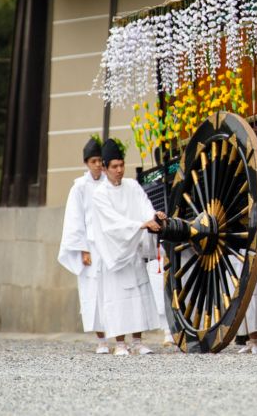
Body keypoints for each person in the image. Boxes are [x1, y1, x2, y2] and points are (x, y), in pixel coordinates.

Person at [90, 138, 164, 355]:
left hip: (133, 250)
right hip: (116, 253)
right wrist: (140, 225)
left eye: (121, 165)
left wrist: (153, 217)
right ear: (104, 168)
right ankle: (120, 342)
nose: (119, 170)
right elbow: (111, 223)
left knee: (138, 295)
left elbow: (144, 206)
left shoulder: (132, 185)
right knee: (118, 297)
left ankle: (138, 341)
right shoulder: (100, 194)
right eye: (114, 167)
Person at [57, 137, 108, 353]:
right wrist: (82, 249)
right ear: (87, 163)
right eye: (93, 161)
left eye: (100, 161)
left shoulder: (109, 183)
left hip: (108, 244)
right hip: (90, 245)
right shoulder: (79, 187)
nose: (97, 165)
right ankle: (102, 340)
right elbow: (74, 219)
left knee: (111, 291)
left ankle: (119, 337)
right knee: (93, 292)